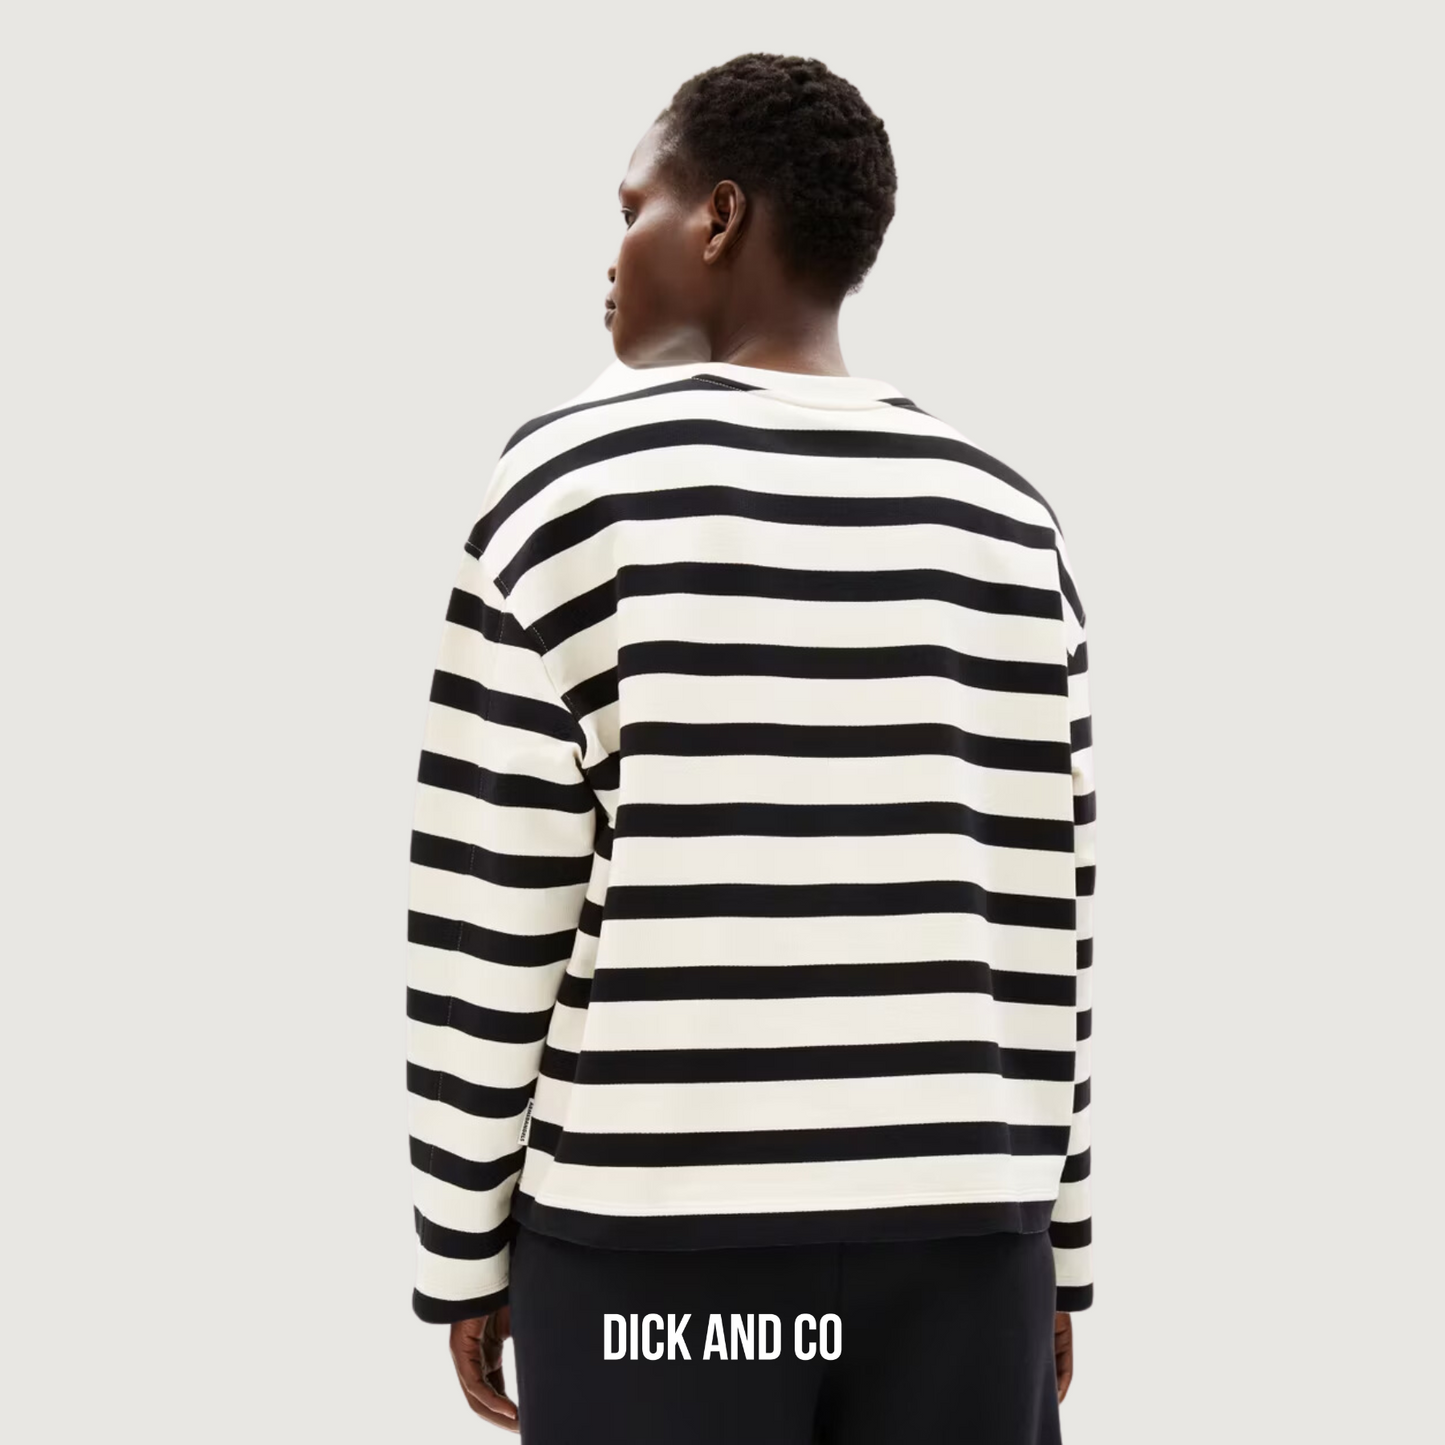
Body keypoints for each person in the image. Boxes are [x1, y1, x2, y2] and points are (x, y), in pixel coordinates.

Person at [404, 52, 1097, 1444]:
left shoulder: (567, 495)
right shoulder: (1009, 521)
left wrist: (461, 1246)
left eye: (632, 210)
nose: (611, 257)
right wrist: (1058, 1247)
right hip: (965, 1244)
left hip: (658, 1256)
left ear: (719, 217)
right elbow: (1047, 916)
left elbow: (492, 912)